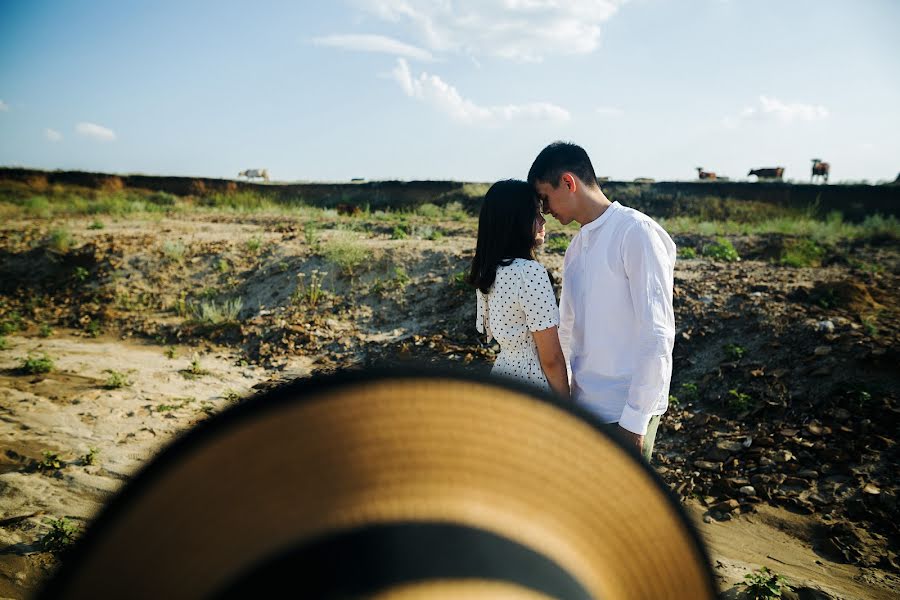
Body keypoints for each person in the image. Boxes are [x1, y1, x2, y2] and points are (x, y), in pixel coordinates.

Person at [528, 142, 676, 462]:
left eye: (544, 197)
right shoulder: (576, 249)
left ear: (568, 182)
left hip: (624, 411)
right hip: (584, 410)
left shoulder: (635, 232)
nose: (545, 210)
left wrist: (635, 423)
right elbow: (567, 331)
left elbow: (657, 332)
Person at [468, 179, 570, 398]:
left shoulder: (490, 269)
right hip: (533, 383)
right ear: (514, 220)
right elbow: (551, 359)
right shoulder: (529, 273)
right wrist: (569, 411)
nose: (543, 220)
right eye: (535, 213)